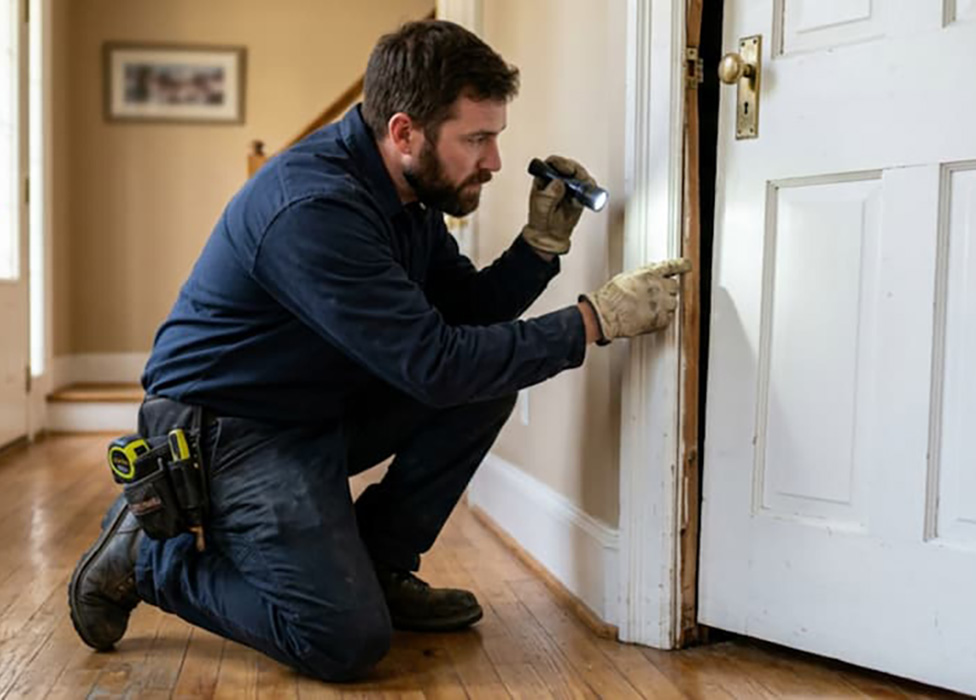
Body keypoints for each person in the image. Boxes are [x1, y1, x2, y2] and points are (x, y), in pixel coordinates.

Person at [67, 19, 689, 682]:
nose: (495, 161)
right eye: (476, 139)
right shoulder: (315, 209)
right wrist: (593, 321)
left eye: (496, 136)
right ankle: (149, 560)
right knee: (341, 640)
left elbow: (462, 318)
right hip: (225, 429)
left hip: (310, 404)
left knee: (485, 380)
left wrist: (540, 247)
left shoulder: (407, 194)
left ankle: (380, 566)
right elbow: (435, 365)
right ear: (403, 132)